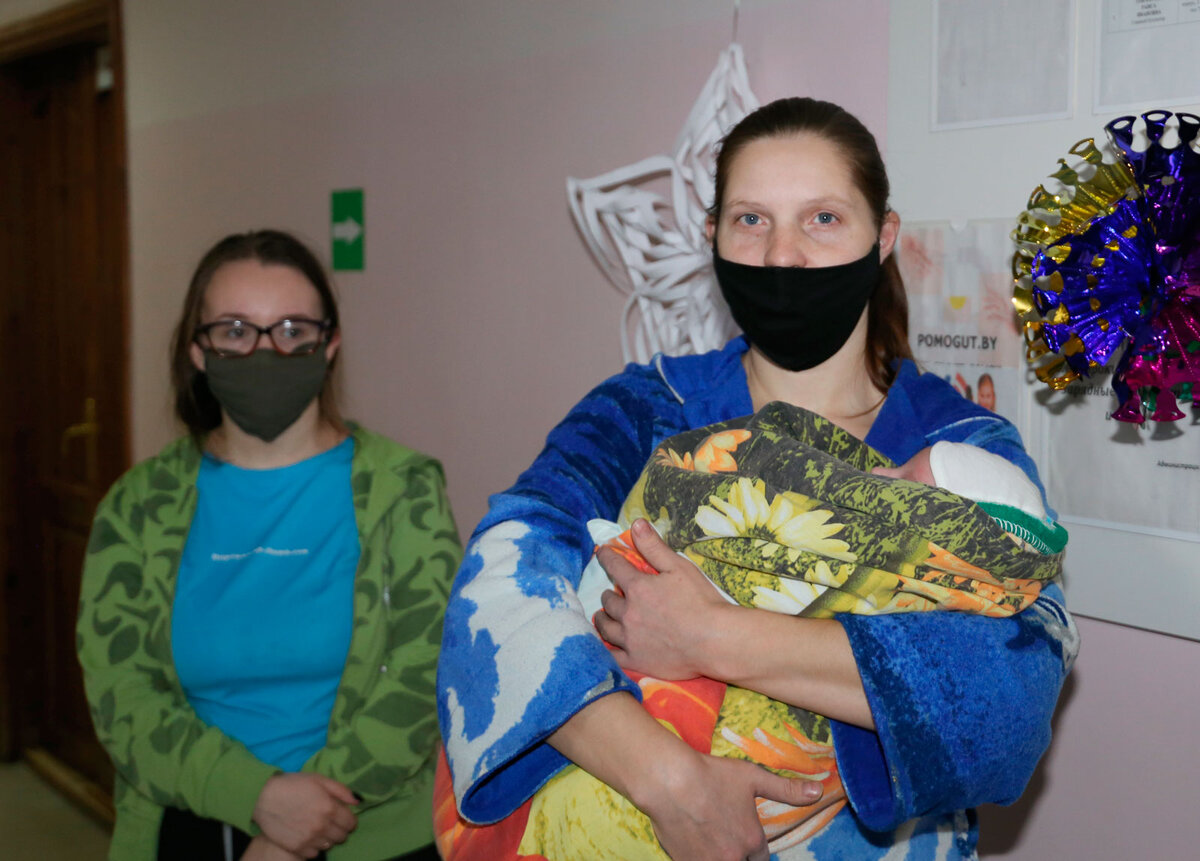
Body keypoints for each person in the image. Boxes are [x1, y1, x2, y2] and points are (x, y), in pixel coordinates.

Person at [437, 98, 1077, 860]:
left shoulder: (959, 446)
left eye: (823, 218)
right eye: (751, 220)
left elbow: (1009, 700)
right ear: (712, 237)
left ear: (883, 238)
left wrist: (707, 635)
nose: (782, 256)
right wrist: (668, 780)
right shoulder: (646, 410)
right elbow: (499, 587)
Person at [78, 230, 460, 861]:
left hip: (368, 829)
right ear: (198, 350)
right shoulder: (137, 506)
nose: (264, 350)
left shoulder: (404, 491)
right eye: (235, 331)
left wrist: (302, 826)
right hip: (188, 820)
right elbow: (123, 695)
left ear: (329, 344)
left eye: (291, 330)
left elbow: (425, 676)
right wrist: (257, 798)